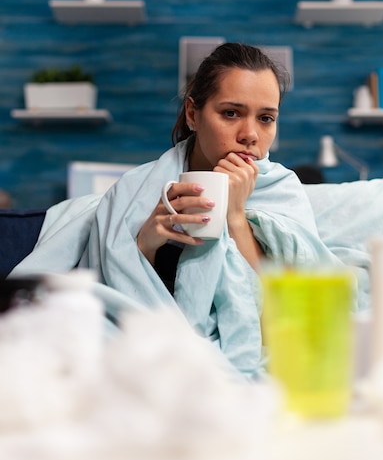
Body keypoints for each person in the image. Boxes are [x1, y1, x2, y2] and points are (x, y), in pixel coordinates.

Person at [10, 43, 346, 379]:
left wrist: (235, 217)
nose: (250, 135)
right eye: (231, 113)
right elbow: (117, 302)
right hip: (150, 343)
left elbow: (287, 321)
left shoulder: (283, 190)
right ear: (192, 114)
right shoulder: (136, 189)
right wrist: (145, 246)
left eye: (266, 118)